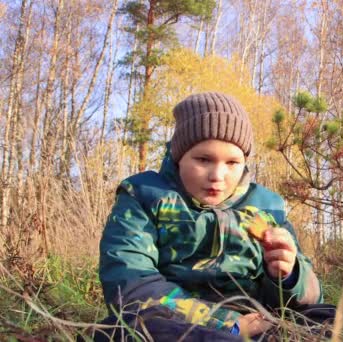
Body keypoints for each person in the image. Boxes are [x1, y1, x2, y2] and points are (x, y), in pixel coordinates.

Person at [96, 92, 323, 340]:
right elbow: (131, 284)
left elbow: (308, 299)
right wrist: (224, 324)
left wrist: (289, 275)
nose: (218, 175)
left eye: (232, 163)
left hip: (257, 324)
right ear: (179, 156)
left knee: (327, 319)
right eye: (204, 159)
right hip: (179, 324)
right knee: (134, 327)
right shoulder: (143, 195)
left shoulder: (267, 207)